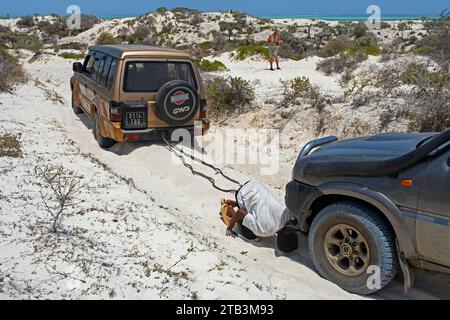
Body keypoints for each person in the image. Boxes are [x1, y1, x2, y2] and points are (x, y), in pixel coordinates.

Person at [222, 180, 294, 238]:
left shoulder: (287, 214)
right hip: (243, 195)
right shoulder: (263, 231)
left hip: (254, 184)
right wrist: (229, 228)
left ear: (288, 231)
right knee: (249, 234)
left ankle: (235, 203)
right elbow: (240, 212)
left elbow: (241, 212)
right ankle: (230, 209)